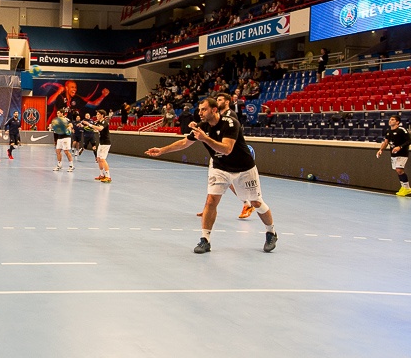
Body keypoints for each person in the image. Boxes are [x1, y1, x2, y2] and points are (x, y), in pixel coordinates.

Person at [145, 97, 278, 254]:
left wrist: (205, 138)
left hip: (244, 169)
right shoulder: (202, 127)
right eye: (200, 109)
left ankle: (271, 232)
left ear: (214, 110)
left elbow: (227, 149)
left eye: (204, 109)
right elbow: (184, 143)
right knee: (211, 201)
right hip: (220, 168)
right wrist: (162, 150)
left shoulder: (230, 123)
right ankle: (205, 240)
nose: (200, 112)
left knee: (256, 202)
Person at [377, 115, 411, 196]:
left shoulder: (401, 130)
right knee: (398, 171)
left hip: (402, 153)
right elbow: (386, 142)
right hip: (393, 154)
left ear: (397, 122)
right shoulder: (388, 131)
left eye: (393, 120)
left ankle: (407, 188)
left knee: (399, 170)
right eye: (390, 119)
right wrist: (381, 150)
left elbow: (409, 141)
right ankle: (403, 187)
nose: (390, 121)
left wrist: (400, 147)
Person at [84, 109, 112, 183]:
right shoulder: (98, 122)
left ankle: (108, 176)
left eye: (98, 114)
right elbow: (94, 127)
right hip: (101, 143)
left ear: (102, 115)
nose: (97, 115)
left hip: (106, 143)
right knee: (98, 158)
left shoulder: (104, 122)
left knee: (103, 159)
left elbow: (100, 128)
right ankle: (101, 175)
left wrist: (89, 124)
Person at [49, 107, 75, 172]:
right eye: (57, 113)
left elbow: (71, 125)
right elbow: (53, 126)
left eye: (58, 113)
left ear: (62, 113)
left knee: (66, 151)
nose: (57, 114)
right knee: (58, 151)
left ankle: (71, 165)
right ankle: (59, 165)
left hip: (66, 137)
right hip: (59, 137)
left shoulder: (66, 119)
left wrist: (68, 127)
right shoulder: (57, 121)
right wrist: (51, 127)